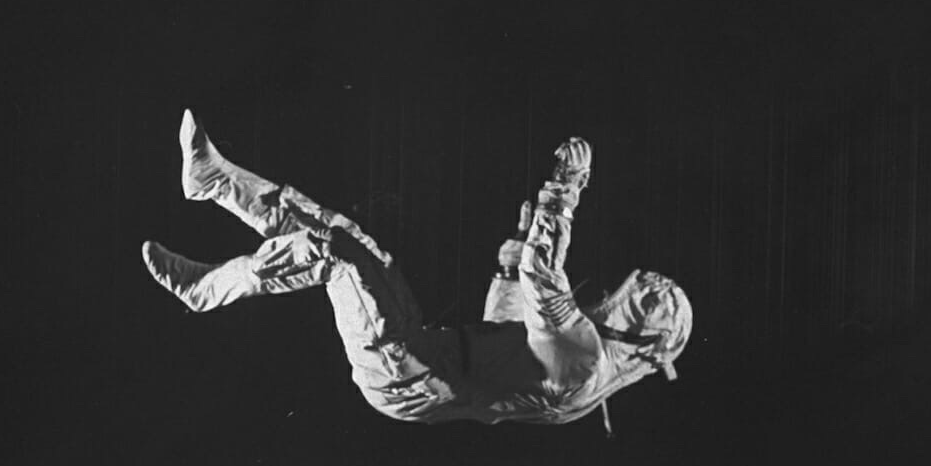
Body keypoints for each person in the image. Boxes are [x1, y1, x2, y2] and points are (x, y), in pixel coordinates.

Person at [141, 110, 693, 427]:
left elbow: (543, 277)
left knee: (339, 254)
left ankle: (206, 289)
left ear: (647, 338)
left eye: (655, 300)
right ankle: (215, 182)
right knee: (348, 241)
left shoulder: (588, 360)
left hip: (409, 373)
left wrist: (563, 191)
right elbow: (500, 327)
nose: (648, 286)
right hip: (418, 359)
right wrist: (510, 261)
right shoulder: (582, 360)